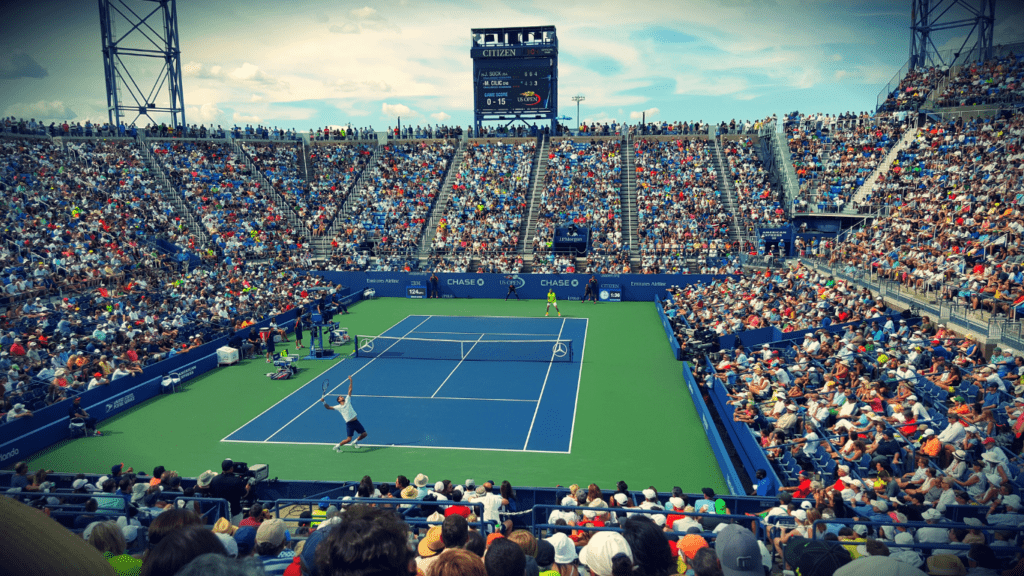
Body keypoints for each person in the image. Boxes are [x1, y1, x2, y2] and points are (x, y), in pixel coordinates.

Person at [323, 376, 367, 452]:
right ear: (339, 400)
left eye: (341, 396)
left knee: (364, 434)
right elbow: (328, 407)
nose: (341, 397)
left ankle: (355, 442)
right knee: (348, 439)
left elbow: (350, 390)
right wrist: (323, 402)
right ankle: (337, 446)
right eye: (340, 397)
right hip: (349, 424)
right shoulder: (338, 407)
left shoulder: (347, 400)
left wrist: (351, 381)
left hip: (356, 421)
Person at [209, 459, 251, 524]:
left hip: (219, 513)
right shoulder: (237, 481)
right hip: (235, 513)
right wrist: (248, 486)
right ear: (231, 469)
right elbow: (244, 494)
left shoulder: (214, 479)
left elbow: (211, 492)